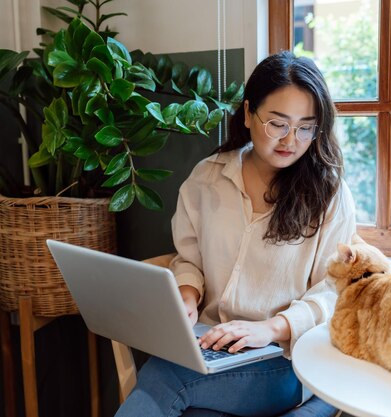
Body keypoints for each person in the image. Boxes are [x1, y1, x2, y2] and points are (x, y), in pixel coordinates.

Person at [115, 51, 356, 417]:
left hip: (283, 359)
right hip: (213, 346)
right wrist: (187, 295)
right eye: (278, 123)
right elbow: (189, 256)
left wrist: (271, 328)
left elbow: (332, 293)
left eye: (306, 127)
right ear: (247, 114)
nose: (291, 140)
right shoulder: (207, 177)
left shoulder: (329, 195)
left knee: (165, 377)